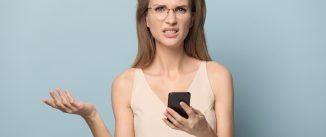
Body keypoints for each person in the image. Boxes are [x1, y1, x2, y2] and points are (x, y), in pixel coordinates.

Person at [42, 0, 234, 136]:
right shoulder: (125, 84)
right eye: (160, 9)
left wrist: (204, 133)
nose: (171, 19)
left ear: (192, 19)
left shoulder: (217, 76)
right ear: (146, 19)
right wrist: (91, 116)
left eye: (181, 9)